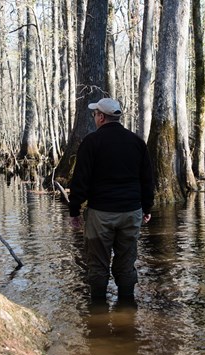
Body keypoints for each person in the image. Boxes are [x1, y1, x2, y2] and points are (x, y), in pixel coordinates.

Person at [68, 98, 155, 301]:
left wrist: (74, 211)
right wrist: (147, 207)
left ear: (100, 117)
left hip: (101, 214)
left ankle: (97, 312)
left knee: (98, 265)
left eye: (94, 114)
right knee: (126, 263)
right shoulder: (137, 142)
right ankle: (127, 310)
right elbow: (147, 179)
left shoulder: (91, 142)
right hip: (131, 213)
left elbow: (80, 180)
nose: (94, 118)